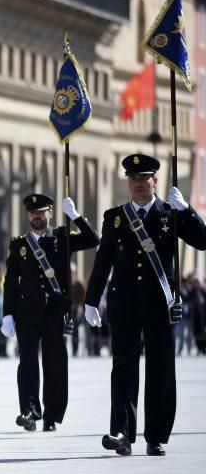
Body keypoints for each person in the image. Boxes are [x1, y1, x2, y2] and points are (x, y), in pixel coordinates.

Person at [84, 154, 206, 456]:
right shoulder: (115, 217)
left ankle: (156, 435)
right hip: (124, 303)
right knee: (123, 368)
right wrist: (90, 301)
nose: (138, 184)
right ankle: (122, 431)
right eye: (133, 178)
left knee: (161, 370)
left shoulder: (169, 214)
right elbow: (102, 263)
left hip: (159, 304)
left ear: (156, 181)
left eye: (144, 178)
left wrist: (187, 210)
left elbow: (203, 240)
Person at [1, 194, 99, 432]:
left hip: (55, 311)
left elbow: (93, 239)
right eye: (32, 213)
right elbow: (11, 282)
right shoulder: (19, 245)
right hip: (27, 312)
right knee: (27, 363)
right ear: (27, 215)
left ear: (51, 213)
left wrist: (76, 217)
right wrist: (8, 314)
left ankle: (52, 414)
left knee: (55, 363)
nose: (37, 216)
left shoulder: (63, 238)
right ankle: (30, 411)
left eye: (41, 211)